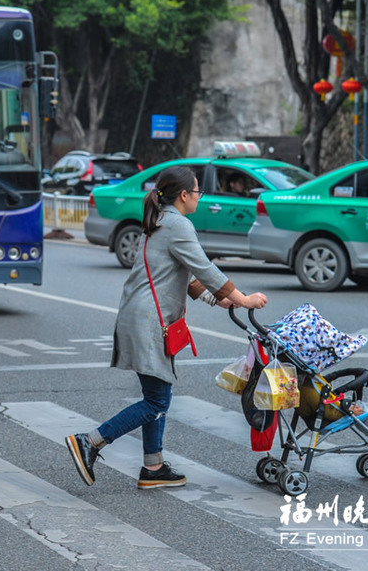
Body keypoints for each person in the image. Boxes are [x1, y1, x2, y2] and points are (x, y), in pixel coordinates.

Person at [65, 166, 268, 489]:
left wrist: (219, 301)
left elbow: (184, 274)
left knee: (156, 392)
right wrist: (242, 299)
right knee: (157, 401)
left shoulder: (159, 221)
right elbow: (204, 267)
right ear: (184, 195)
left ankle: (153, 466)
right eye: (198, 191)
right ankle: (91, 441)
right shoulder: (178, 224)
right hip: (150, 322)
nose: (200, 196)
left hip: (141, 317)